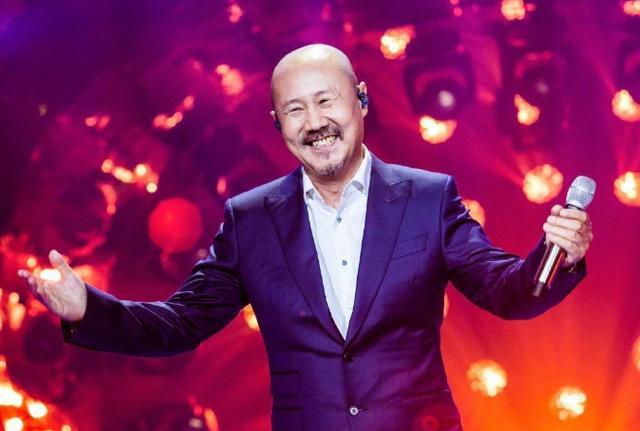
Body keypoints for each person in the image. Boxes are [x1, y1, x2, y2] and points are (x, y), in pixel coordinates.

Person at [18, 44, 593, 431]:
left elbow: (506, 292)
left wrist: (557, 254)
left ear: (360, 99)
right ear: (278, 125)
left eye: (326, 100)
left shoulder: (427, 197)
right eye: (294, 109)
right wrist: (87, 308)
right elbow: (180, 324)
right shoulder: (250, 219)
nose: (314, 122)